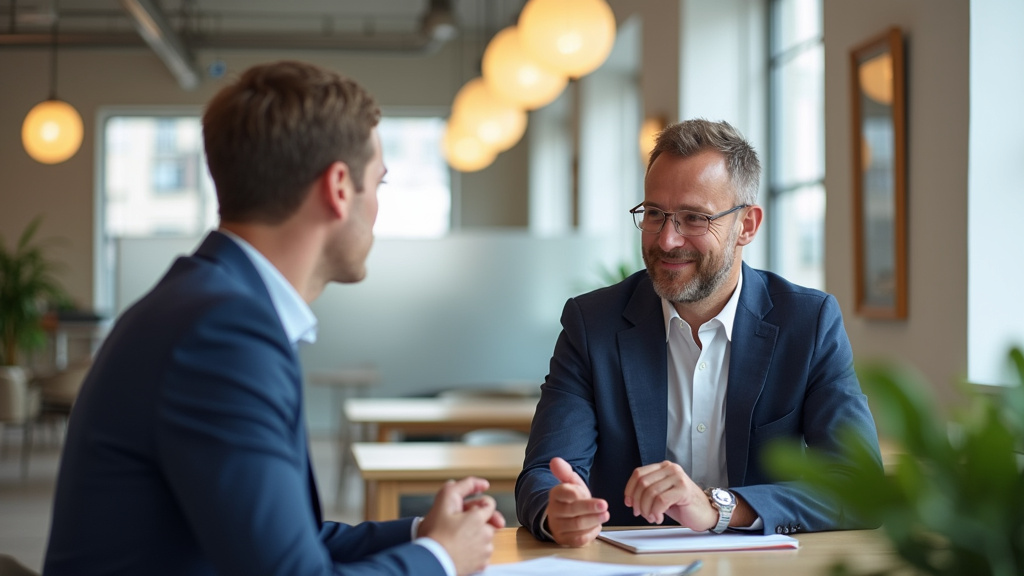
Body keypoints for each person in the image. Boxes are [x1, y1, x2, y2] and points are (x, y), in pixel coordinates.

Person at [43, 61, 503, 576]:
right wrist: (440, 559)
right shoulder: (223, 332)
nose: (378, 207)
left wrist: (424, 533)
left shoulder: (206, 303)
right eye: (380, 183)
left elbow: (291, 540)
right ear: (338, 188)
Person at [515, 119, 883, 547]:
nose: (667, 239)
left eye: (694, 218)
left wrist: (718, 508)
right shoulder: (592, 322)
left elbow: (860, 489)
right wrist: (556, 510)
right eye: (654, 213)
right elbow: (543, 474)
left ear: (746, 225)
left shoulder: (808, 322)